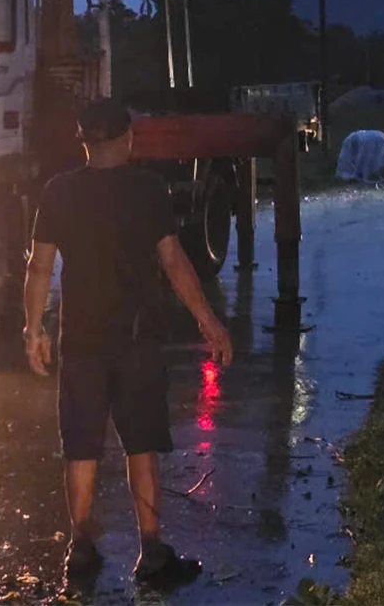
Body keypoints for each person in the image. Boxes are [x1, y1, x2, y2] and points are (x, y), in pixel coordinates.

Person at [23, 98, 234, 588]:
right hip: (137, 340)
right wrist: (208, 321)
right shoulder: (148, 189)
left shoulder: (58, 191)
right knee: (141, 444)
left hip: (80, 340)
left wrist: (33, 330)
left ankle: (80, 547)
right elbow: (174, 260)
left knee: (80, 445)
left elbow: (39, 265)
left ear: (84, 143)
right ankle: (152, 551)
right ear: (127, 139)